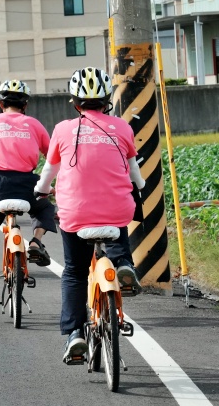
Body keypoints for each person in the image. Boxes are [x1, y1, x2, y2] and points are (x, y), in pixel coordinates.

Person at [35, 66, 145, 364]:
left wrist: (42, 191)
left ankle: (75, 335)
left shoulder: (62, 129)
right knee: (119, 220)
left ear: (75, 101)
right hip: (115, 211)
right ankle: (123, 264)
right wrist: (141, 186)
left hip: (75, 214)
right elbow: (136, 174)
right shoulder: (122, 127)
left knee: (74, 271)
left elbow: (49, 172)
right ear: (107, 99)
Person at [0, 79, 57, 306]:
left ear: (1, 104)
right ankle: (36, 242)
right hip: (27, 182)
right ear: (25, 105)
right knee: (45, 206)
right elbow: (52, 159)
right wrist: (50, 185)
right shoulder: (35, 124)